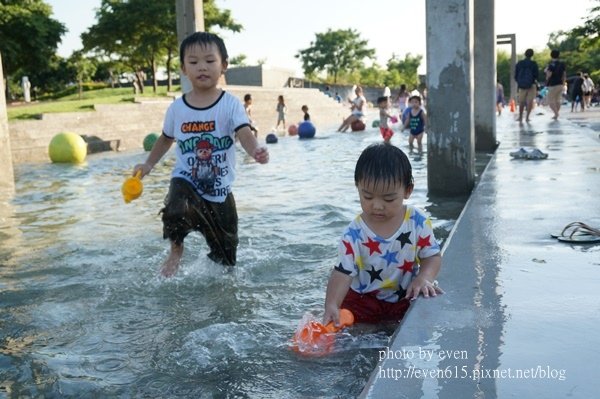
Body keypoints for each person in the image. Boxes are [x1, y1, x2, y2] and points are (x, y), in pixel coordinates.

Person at [131, 32, 269, 277]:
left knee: (226, 259)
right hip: (187, 178)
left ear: (223, 65)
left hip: (220, 189)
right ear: (184, 68)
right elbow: (165, 139)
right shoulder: (177, 108)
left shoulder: (231, 104)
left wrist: (255, 150)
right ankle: (176, 250)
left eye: (209, 60)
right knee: (175, 207)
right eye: (193, 62)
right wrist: (149, 164)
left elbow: (245, 133)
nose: (202, 67)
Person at [322, 143, 442, 326]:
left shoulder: (417, 222)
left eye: (388, 199)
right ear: (358, 187)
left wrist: (423, 278)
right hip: (362, 299)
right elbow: (342, 273)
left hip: (403, 295)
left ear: (408, 191)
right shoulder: (354, 233)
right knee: (353, 330)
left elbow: (431, 256)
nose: (377, 206)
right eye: (367, 197)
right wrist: (331, 304)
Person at [514, 48, 539, 123]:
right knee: (530, 101)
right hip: (531, 85)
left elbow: (516, 75)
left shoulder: (520, 63)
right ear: (532, 55)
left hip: (522, 85)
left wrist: (520, 82)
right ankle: (527, 117)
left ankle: (520, 117)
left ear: (525, 54)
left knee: (521, 102)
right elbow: (536, 75)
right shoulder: (534, 63)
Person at [544, 49, 567, 120]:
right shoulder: (562, 64)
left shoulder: (551, 65)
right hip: (560, 83)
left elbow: (549, 74)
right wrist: (563, 82)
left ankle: (556, 114)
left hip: (552, 84)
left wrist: (546, 77)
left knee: (550, 100)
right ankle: (556, 114)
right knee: (557, 100)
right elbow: (564, 74)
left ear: (551, 56)